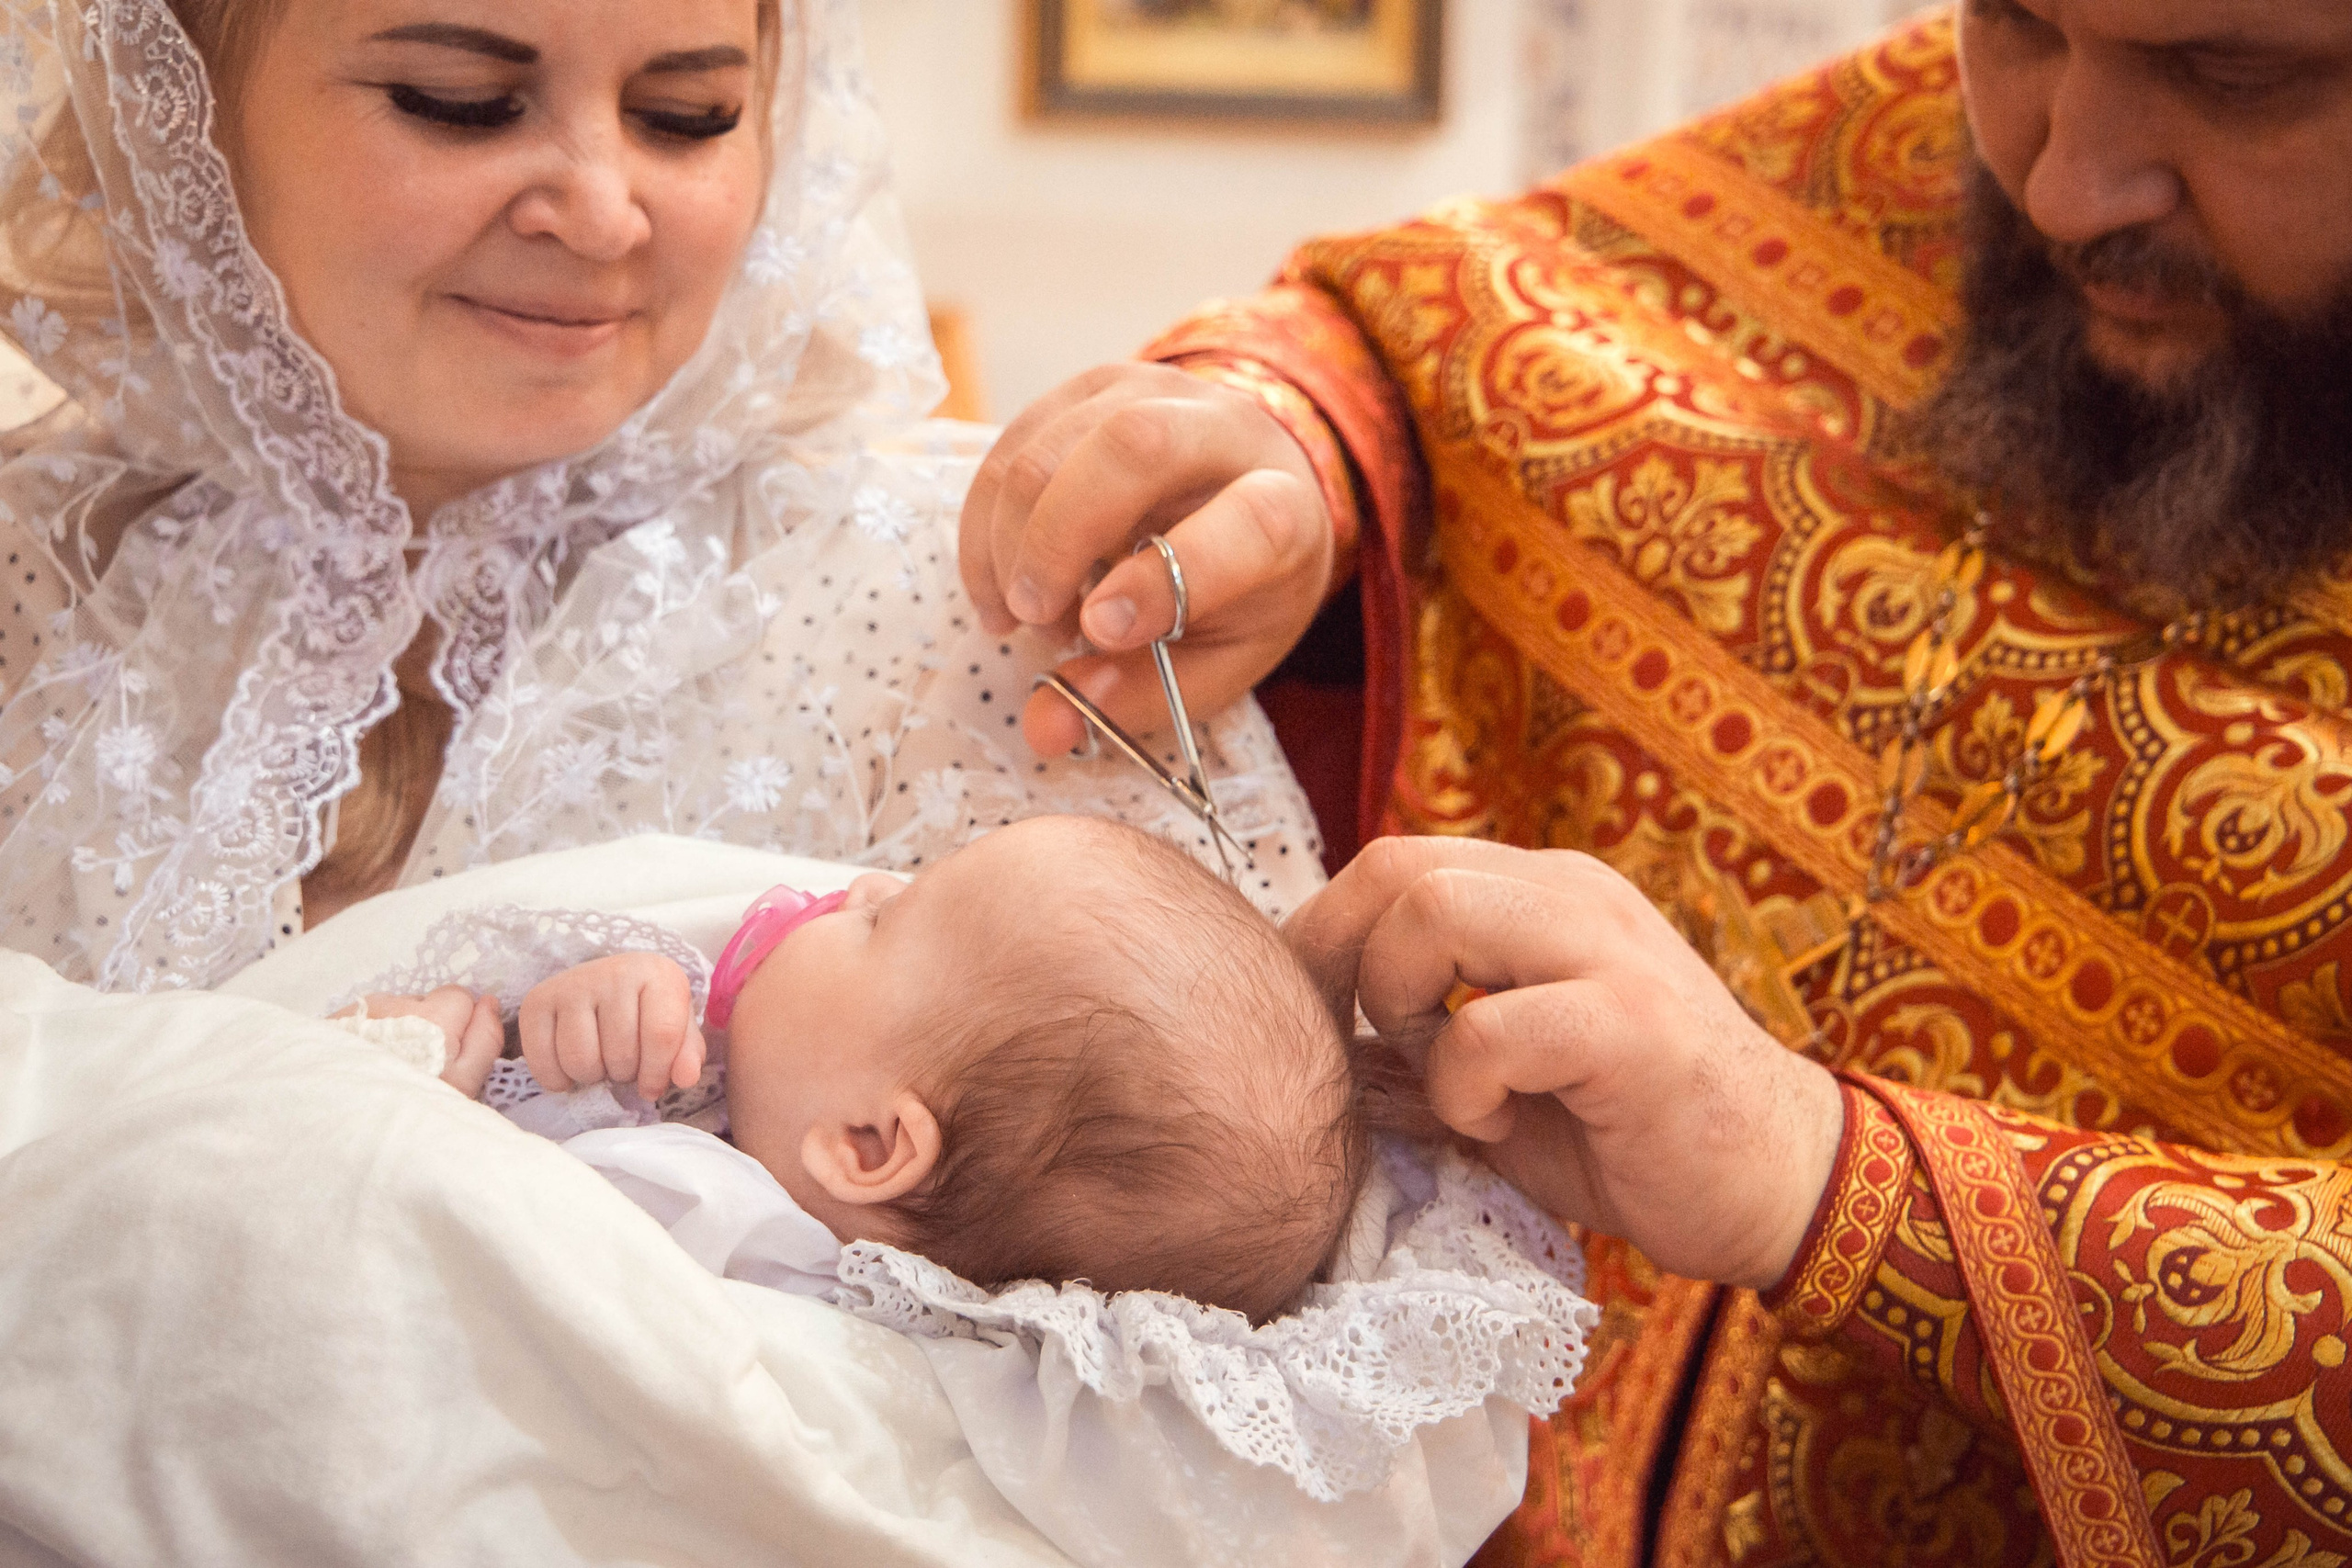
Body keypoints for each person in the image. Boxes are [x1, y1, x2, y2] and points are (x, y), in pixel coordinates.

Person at [970, 2, 2352, 1563]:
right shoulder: (1937, 131)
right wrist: (1284, 444)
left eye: (2235, 78)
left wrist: (1821, 1178)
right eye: (2016, 24)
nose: (2064, 182)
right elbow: (1485, 328)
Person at [0, 0, 1321, 995]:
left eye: (687, 115)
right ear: (172, 113)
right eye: (460, 100)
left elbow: (1221, 1248)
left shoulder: (955, 608)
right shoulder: (39, 560)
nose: (601, 211)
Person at [345, 815, 1366, 1325]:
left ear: (868, 1145)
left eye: (883, 922)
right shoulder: (710, 1087)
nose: (861, 883)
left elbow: (435, 1238)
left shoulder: (700, 1220)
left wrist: (448, 1080)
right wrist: (559, 1028)